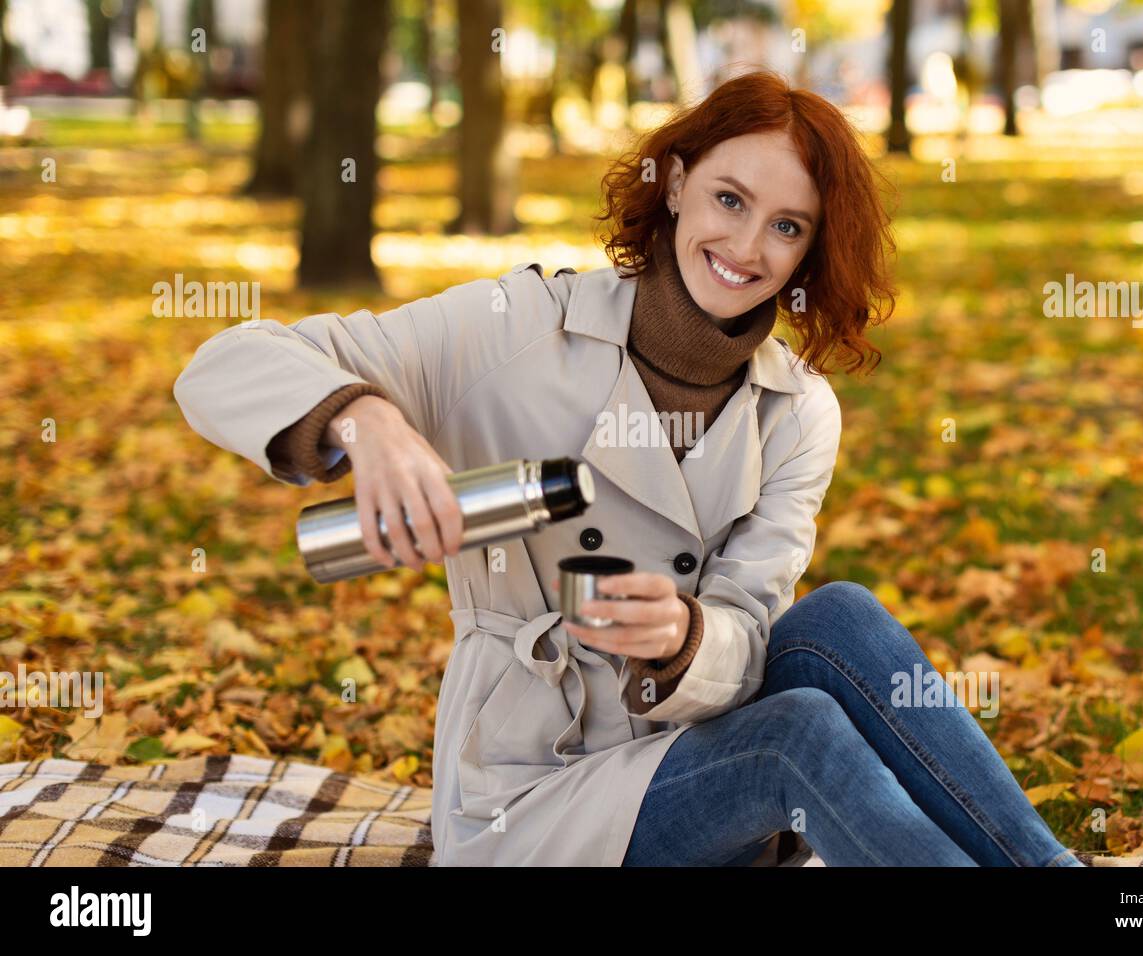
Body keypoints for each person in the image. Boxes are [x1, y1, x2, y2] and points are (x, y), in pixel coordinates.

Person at [173, 68, 1084, 866]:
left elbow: (747, 630)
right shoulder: (515, 330)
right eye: (729, 200)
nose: (746, 249)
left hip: (691, 764)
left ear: (812, 248)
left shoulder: (797, 409)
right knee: (796, 738)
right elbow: (224, 363)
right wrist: (368, 421)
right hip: (533, 799)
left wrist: (685, 636)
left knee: (838, 617)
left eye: (787, 226)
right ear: (677, 182)